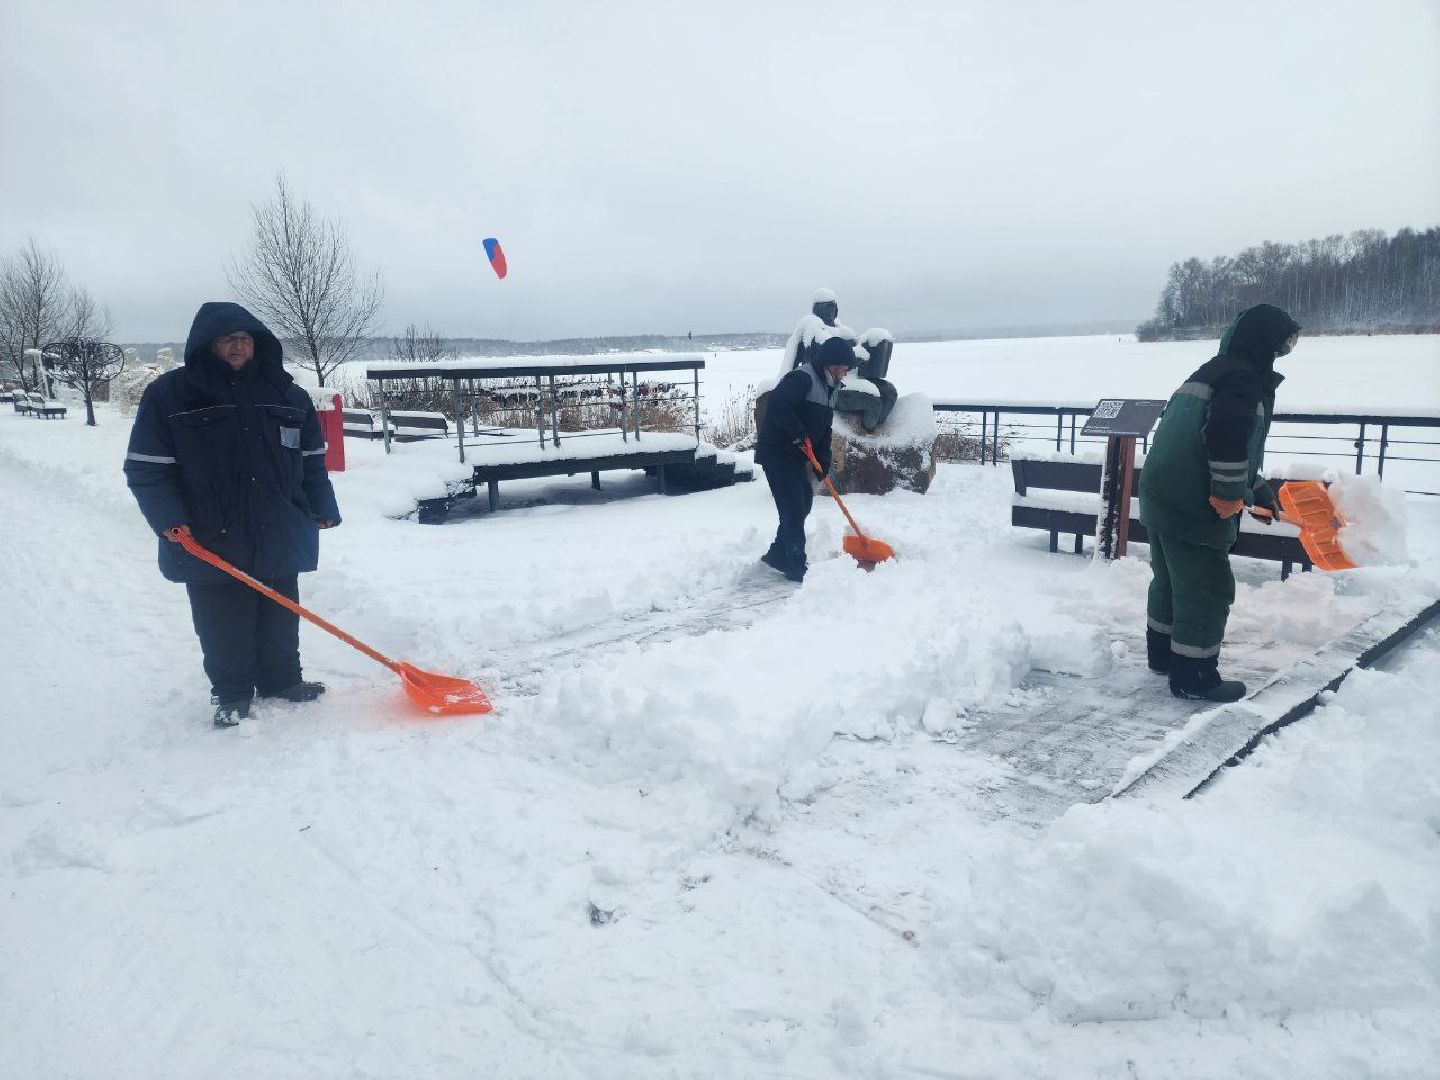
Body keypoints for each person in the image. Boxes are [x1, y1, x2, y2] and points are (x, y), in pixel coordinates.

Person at [124, 302, 341, 727]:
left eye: (246, 338)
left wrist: (321, 506)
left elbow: (312, 459)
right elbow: (146, 468)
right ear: (208, 345)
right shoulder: (170, 395)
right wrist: (170, 519)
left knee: (280, 610)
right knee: (223, 618)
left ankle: (282, 680)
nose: (238, 345)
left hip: (278, 523)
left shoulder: (287, 394)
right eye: (228, 338)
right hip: (208, 531)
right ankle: (232, 692)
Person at [1138, 303, 1301, 702]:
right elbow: (1226, 436)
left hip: (1161, 495)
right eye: (1282, 345)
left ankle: (1164, 656)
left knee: (1171, 581)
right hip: (1192, 503)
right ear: (1264, 343)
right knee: (1206, 588)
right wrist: (1228, 494)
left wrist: (1256, 489)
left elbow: (1207, 438)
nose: (1281, 354)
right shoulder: (1243, 380)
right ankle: (1193, 675)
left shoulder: (1210, 371)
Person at [755, 334, 858, 582]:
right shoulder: (803, 378)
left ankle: (778, 554)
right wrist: (797, 434)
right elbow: (778, 404)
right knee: (793, 507)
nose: (845, 374)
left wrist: (823, 461)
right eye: (844, 369)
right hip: (777, 451)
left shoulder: (830, 389)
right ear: (832, 364)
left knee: (804, 502)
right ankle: (795, 564)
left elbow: (824, 430)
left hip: (795, 455)